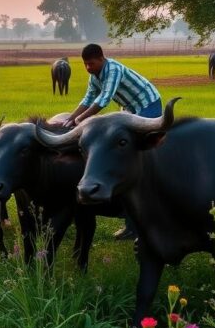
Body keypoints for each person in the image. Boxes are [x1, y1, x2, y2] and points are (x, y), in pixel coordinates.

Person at [62, 43, 162, 239]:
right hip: (130, 109)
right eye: (85, 65)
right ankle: (130, 223)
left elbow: (104, 99)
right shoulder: (95, 76)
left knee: (137, 161)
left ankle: (145, 217)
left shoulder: (113, 69)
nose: (88, 68)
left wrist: (81, 120)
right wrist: (70, 119)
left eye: (91, 63)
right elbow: (88, 98)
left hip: (147, 104)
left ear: (101, 58)